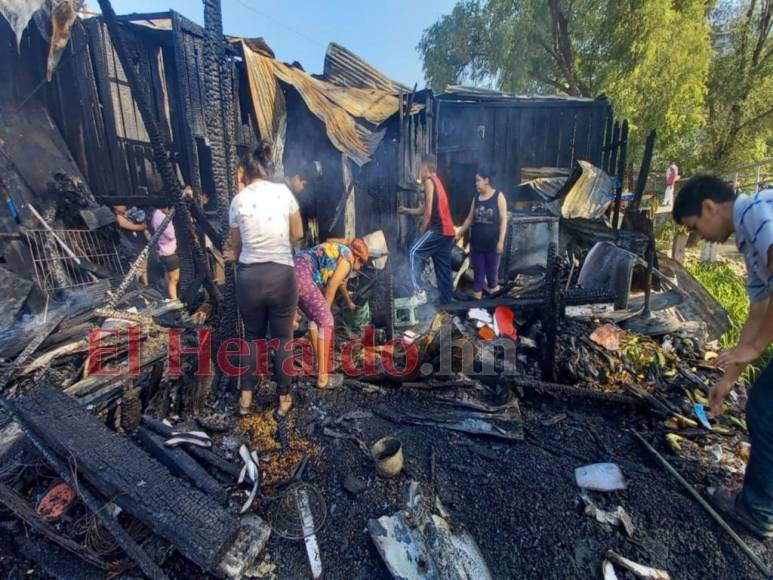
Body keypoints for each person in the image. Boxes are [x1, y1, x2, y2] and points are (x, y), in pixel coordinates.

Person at [673, 174, 773, 538]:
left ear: (710, 207)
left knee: (765, 407)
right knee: (764, 406)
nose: (700, 237)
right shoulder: (750, 240)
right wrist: (728, 378)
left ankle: (758, 510)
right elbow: (759, 310)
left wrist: (755, 348)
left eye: (695, 227)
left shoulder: (759, 213)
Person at [226, 140, 304, 416]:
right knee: (283, 340)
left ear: (245, 172)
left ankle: (245, 400)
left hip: (249, 278)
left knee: (252, 338)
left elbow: (235, 248)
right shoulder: (283, 193)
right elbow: (298, 234)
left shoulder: (238, 201)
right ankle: (283, 401)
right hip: (281, 277)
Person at [294, 239, 369, 389]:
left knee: (313, 319)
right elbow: (332, 285)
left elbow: (341, 284)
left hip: (291, 268)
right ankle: (323, 378)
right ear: (358, 258)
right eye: (362, 263)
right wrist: (325, 311)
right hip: (302, 273)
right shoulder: (348, 260)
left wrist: (349, 302)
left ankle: (317, 363)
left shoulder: (340, 251)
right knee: (326, 321)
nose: (360, 266)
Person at [399, 154, 455, 304]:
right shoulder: (437, 182)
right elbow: (424, 209)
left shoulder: (429, 182)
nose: (419, 171)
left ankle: (419, 292)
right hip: (448, 232)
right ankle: (447, 302)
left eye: (420, 167)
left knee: (413, 252)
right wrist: (407, 210)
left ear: (426, 168)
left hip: (438, 229)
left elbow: (428, 213)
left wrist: (421, 232)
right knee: (443, 268)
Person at [454, 166, 508, 299]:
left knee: (492, 280)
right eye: (476, 180)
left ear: (487, 180)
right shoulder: (476, 199)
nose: (476, 183)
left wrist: (501, 242)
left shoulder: (498, 196)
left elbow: (503, 220)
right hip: (477, 246)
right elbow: (469, 219)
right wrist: (459, 233)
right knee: (477, 280)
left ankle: (495, 310)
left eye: (478, 180)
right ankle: (477, 312)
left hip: (492, 246)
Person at [113, 205, 150, 285]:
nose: (124, 206)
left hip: (141, 243)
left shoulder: (129, 214)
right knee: (135, 268)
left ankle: (146, 285)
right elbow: (133, 227)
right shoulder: (118, 217)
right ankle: (134, 286)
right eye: (121, 205)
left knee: (144, 269)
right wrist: (144, 226)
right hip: (132, 245)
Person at [150, 207, 179, 300]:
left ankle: (168, 297)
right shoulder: (162, 217)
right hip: (170, 252)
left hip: (163, 252)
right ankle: (174, 300)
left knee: (168, 276)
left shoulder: (155, 214)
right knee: (174, 280)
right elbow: (171, 234)